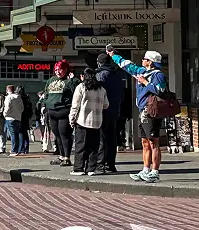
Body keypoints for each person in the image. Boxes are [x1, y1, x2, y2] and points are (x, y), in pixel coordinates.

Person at [108, 46, 169, 184]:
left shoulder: (158, 75)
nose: (142, 60)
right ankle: (145, 169)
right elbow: (127, 65)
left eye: (145, 59)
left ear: (150, 62)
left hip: (151, 111)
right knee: (145, 142)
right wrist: (113, 55)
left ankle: (155, 172)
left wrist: (145, 82)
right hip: (142, 111)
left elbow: (160, 91)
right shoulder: (141, 71)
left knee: (154, 142)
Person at [69, 68, 109, 176]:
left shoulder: (81, 87)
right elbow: (106, 105)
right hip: (96, 122)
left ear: (83, 76)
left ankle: (78, 168)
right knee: (93, 146)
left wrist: (72, 119)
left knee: (80, 145)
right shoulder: (101, 89)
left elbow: (75, 105)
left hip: (82, 120)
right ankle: (91, 168)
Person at [94, 53, 126, 174]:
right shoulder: (117, 75)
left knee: (102, 138)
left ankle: (101, 164)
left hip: (103, 109)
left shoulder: (100, 75)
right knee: (111, 137)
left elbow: (98, 92)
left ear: (99, 62)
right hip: (115, 109)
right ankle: (110, 164)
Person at [44, 60, 77, 167]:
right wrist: (44, 104)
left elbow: (76, 93)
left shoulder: (71, 80)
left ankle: (67, 157)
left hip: (64, 110)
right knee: (57, 135)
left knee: (65, 134)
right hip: (52, 111)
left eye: (60, 70)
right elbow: (46, 93)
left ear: (66, 69)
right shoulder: (51, 80)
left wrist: (72, 80)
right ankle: (62, 155)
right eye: (56, 70)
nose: (58, 72)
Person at [2, 85, 24, 156]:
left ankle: (14, 150)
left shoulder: (9, 97)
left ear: (7, 90)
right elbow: (22, 108)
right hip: (18, 117)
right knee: (16, 134)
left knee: (12, 134)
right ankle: (17, 149)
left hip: (10, 118)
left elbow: (7, 107)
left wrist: (5, 114)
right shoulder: (19, 97)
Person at [17, 86, 34, 153]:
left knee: (20, 133)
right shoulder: (27, 97)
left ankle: (21, 148)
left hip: (20, 116)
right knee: (25, 133)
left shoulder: (19, 98)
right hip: (26, 117)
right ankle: (26, 149)